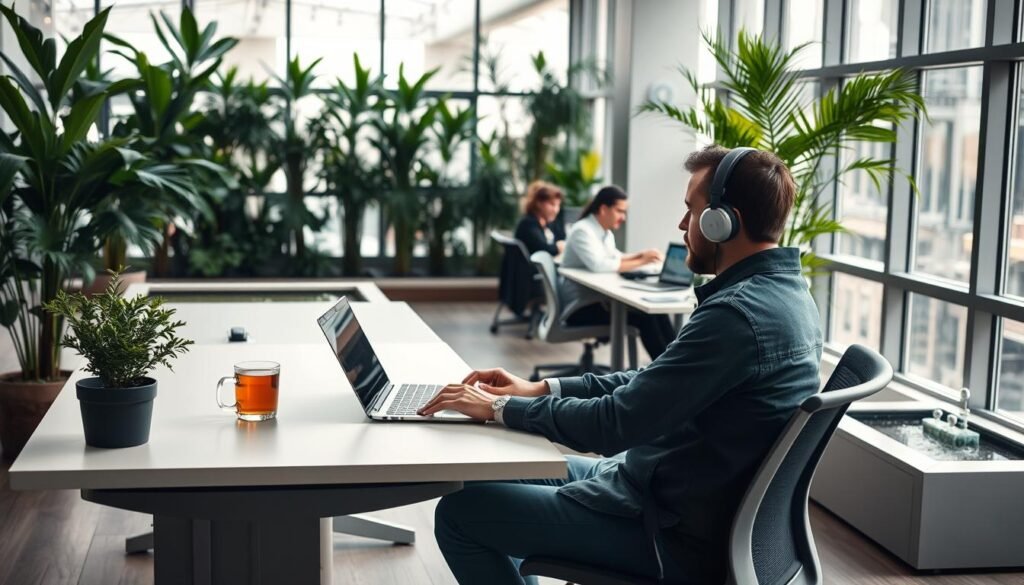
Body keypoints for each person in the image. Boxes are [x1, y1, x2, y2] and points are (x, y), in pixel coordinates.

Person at [419, 145, 823, 585]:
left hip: (665, 531)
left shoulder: (737, 316)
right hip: (656, 490)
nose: (683, 224)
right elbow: (650, 382)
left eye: (692, 210)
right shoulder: (787, 294)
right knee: (481, 478)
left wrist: (499, 410)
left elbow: (615, 424)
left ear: (723, 221)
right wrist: (539, 390)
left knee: (460, 514)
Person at [560, 185, 676, 360]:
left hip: (596, 301)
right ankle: (668, 372)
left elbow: (616, 258)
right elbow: (599, 265)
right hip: (579, 308)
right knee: (646, 317)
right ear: (604, 209)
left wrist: (641, 255)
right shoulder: (582, 231)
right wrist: (642, 260)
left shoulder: (604, 232)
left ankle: (676, 363)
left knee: (657, 313)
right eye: (620, 211)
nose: (623, 218)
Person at [514, 181, 567, 256]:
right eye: (552, 204)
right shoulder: (528, 223)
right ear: (538, 203)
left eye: (558, 205)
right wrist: (558, 247)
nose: (555, 210)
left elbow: (561, 237)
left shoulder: (546, 223)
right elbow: (542, 250)